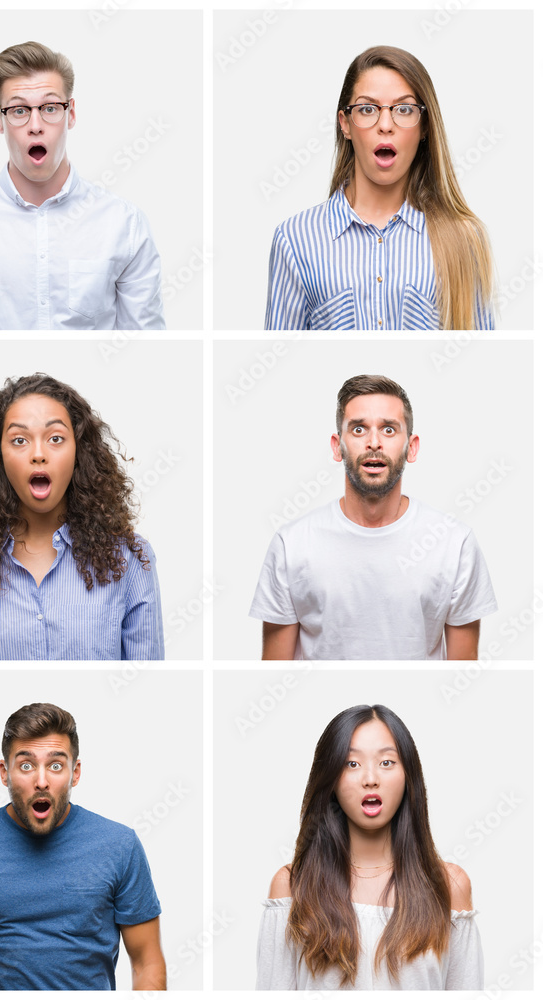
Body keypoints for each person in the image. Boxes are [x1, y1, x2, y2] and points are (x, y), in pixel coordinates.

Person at [0, 41, 165, 330]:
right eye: (20, 110)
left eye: (49, 107)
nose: (36, 125)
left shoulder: (125, 224)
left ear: (70, 113)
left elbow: (144, 342)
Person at [0, 703, 166, 990]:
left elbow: (146, 963)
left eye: (56, 765)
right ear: (4, 772)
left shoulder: (121, 846)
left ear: (75, 773)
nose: (41, 781)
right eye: (26, 765)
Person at [249, 374, 496, 659]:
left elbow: (461, 673)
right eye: (358, 430)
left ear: (411, 447)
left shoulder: (455, 542)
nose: (374, 442)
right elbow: (275, 672)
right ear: (337, 446)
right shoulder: (291, 543)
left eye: (389, 430)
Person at [0, 373, 164, 660]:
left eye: (56, 438)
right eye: (20, 440)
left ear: (79, 452)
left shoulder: (130, 561)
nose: (38, 454)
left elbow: (144, 679)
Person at [265, 46, 494, 330]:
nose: (385, 125)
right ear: (345, 124)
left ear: (424, 127)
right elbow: (281, 355)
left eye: (404, 109)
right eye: (367, 109)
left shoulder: (465, 238)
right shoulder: (295, 239)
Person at [257, 704, 482, 989]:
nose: (371, 779)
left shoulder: (449, 885)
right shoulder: (292, 885)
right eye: (352, 763)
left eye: (387, 762)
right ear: (331, 778)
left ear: (408, 776)